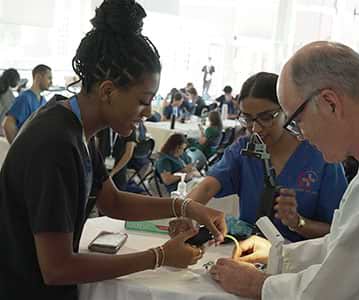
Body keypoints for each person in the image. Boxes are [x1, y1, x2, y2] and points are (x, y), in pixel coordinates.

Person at [0, 1, 226, 299]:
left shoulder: (73, 125)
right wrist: (159, 256)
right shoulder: (55, 144)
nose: (147, 113)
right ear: (107, 91)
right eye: (143, 101)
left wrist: (185, 206)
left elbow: (113, 202)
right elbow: (57, 268)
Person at [208, 41, 359, 299]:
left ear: (330, 103)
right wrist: (279, 255)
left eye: (297, 122)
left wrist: (258, 285)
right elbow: (349, 246)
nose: (301, 135)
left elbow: (335, 291)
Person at [170, 72, 347, 242]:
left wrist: (298, 223)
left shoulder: (320, 156)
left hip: (299, 261)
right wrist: (185, 213)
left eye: (266, 117)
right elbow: (208, 186)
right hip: (249, 252)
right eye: (247, 119)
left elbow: (340, 232)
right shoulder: (245, 150)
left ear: (287, 111)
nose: (256, 129)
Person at [2, 64, 52, 143]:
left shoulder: (44, 102)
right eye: (49, 78)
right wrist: (17, 149)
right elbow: (8, 125)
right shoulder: (25, 98)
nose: (51, 82)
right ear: (38, 77)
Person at [0, 68, 20, 135]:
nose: (17, 82)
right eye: (17, 80)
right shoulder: (5, 91)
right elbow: (13, 106)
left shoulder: (4, 88)